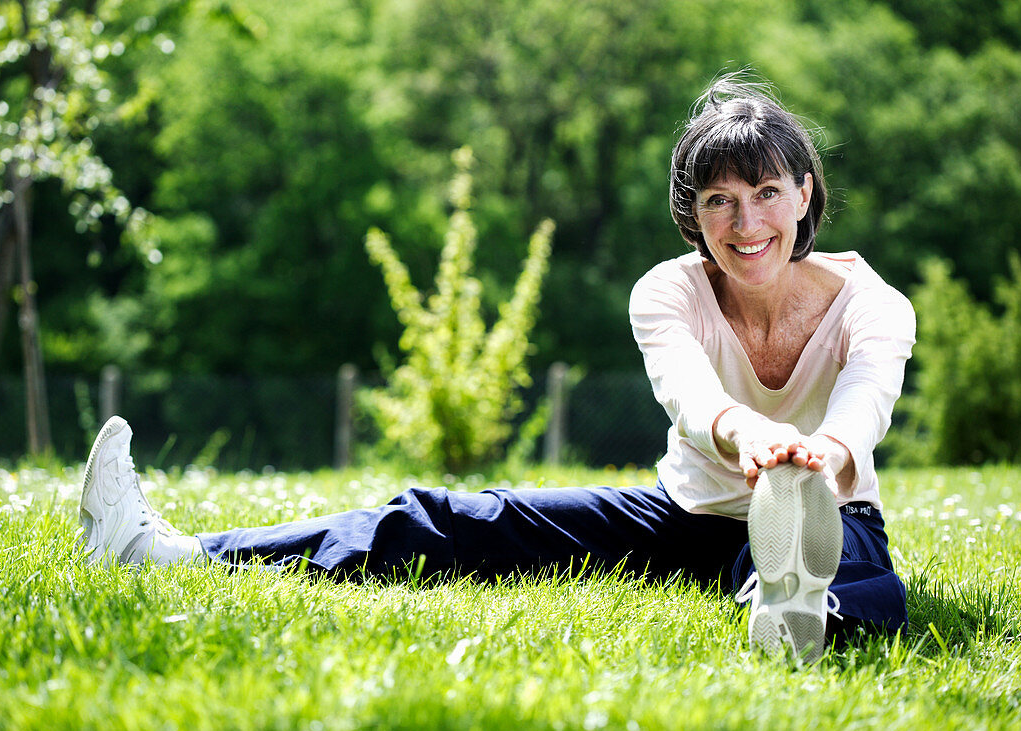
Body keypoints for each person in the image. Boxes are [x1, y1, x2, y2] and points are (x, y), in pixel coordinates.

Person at [78, 74, 915, 666]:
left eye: (766, 192)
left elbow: (864, 407)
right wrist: (752, 432)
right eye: (720, 201)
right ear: (692, 215)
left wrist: (815, 457)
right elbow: (689, 394)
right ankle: (172, 554)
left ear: (805, 194)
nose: (747, 222)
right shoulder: (668, 290)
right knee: (453, 517)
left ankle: (799, 605)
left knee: (853, 568)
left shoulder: (874, 302)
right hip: (687, 507)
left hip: (829, 505)